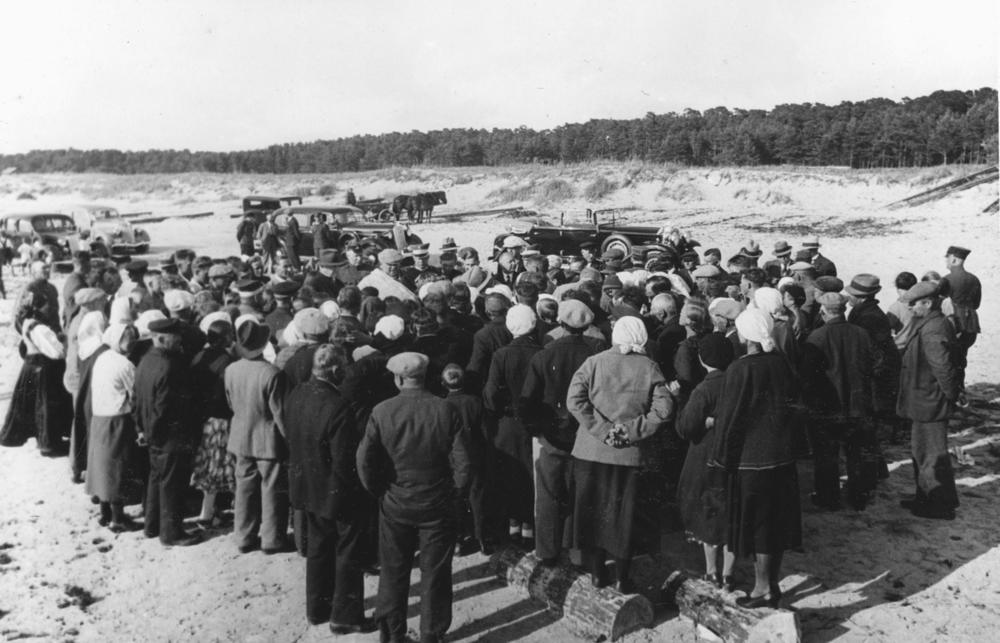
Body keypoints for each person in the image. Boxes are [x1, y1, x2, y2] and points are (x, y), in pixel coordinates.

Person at [356, 352, 471, 643]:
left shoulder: (382, 411)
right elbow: (464, 462)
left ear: (398, 379)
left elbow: (365, 461)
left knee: (393, 571)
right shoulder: (445, 409)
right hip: (437, 503)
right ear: (425, 376)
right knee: (436, 572)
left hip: (396, 503)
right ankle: (431, 633)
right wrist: (454, 493)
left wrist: (379, 491)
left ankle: (392, 634)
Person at [566, 316, 673, 592]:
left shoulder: (594, 362)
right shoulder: (649, 367)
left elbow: (574, 400)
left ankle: (598, 573)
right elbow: (663, 410)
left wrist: (602, 430)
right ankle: (623, 578)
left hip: (591, 451)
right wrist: (630, 431)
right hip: (630, 454)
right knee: (625, 517)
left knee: (594, 514)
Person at [712, 309, 802, 608]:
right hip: (781, 457)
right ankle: (769, 583)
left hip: (751, 460)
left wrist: (721, 460)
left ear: (745, 336)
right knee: (774, 523)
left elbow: (730, 418)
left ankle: (763, 588)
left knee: (757, 526)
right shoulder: (781, 363)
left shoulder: (740, 369)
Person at [284, 345, 374, 633]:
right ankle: (345, 616)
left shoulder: (297, 393)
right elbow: (343, 460)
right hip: (335, 490)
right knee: (348, 550)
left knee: (319, 547)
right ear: (335, 370)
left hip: (306, 485)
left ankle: (318, 608)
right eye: (344, 366)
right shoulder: (338, 405)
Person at [518, 299, 607, 566]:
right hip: (587, 436)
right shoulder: (597, 355)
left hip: (552, 437)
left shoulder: (544, 355)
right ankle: (579, 553)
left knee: (548, 494)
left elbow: (528, 401)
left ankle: (547, 552)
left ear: (561, 322)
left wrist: (538, 432)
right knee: (581, 496)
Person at [799, 292, 875, 510]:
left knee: (826, 455)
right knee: (856, 453)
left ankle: (828, 498)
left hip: (828, 407)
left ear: (823, 311)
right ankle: (858, 497)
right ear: (844, 310)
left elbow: (809, 377)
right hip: (858, 404)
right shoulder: (861, 334)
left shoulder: (817, 337)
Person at [134, 318, 202, 547]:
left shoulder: (146, 360)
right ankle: (172, 533)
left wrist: (142, 429)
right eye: (176, 336)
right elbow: (163, 409)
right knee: (172, 484)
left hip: (151, 434)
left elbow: (137, 398)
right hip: (169, 437)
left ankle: (152, 525)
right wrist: (155, 433)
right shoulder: (169, 366)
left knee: (156, 480)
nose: (180, 339)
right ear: (162, 339)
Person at [224, 319, 290, 554]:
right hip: (267, 439)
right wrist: (289, 441)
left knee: (244, 488)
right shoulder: (271, 373)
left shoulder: (231, 369)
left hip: (241, 435)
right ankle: (272, 539)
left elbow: (231, 402)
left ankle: (243, 536)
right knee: (271, 489)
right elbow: (279, 413)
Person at [896, 281, 960, 520]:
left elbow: (943, 367)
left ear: (928, 302)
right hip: (925, 401)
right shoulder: (930, 323)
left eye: (914, 304)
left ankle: (939, 506)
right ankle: (925, 497)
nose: (910, 308)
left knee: (932, 456)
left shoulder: (933, 328)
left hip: (930, 402)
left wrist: (952, 396)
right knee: (923, 452)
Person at [677, 333, 736, 590]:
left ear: (702, 359)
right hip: (733, 456)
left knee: (708, 511)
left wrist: (680, 402)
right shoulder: (738, 382)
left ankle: (712, 571)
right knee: (730, 512)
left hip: (705, 454)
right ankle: (729, 573)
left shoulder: (704, 388)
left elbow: (686, 427)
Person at [483, 304, 542, 548]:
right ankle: (529, 525)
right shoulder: (542, 352)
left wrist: (496, 412)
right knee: (532, 474)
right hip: (535, 421)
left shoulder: (502, 355)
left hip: (508, 422)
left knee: (510, 474)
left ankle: (513, 524)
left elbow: (491, 393)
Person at [86, 323, 142, 532]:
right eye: (129, 340)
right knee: (118, 469)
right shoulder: (125, 364)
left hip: (99, 419)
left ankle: (105, 513)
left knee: (103, 467)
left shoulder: (102, 359)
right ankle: (118, 519)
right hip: (117, 420)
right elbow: (135, 393)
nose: (132, 344)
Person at [189, 315, 237, 528]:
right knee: (220, 467)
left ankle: (209, 512)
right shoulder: (226, 360)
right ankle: (207, 515)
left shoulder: (199, 356)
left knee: (210, 467)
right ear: (225, 337)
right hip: (221, 420)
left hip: (203, 418)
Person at [0, 317, 73, 455]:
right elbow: (57, 353)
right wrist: (63, 343)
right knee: (44, 407)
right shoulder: (39, 328)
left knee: (33, 406)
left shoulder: (28, 323)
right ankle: (48, 443)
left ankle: (42, 438)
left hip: (31, 365)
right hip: (41, 368)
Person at [940, 246, 980, 400]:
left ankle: (952, 394)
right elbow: (976, 304)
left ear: (954, 259)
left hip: (953, 323)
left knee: (949, 359)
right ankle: (960, 390)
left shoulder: (947, 280)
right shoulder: (974, 279)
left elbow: (939, 303)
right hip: (971, 324)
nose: (946, 261)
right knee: (961, 358)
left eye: (947, 258)